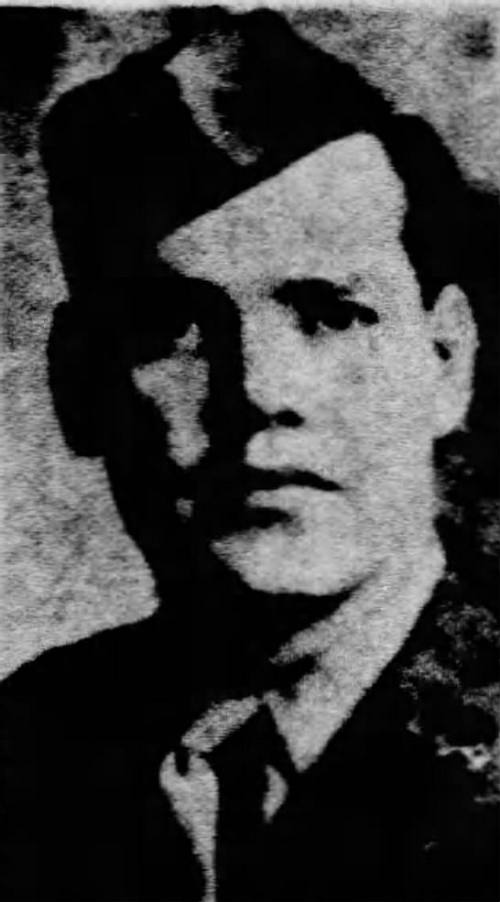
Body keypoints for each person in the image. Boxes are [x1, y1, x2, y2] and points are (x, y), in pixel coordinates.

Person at [1, 9, 498, 902]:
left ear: (446, 361)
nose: (261, 391)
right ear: (78, 388)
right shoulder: (25, 749)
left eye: (334, 313)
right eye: (171, 328)